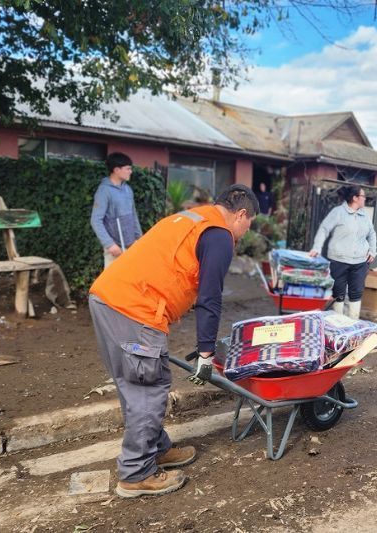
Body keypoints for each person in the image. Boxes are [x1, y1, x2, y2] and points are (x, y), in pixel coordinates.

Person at [89, 184, 258, 498]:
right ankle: (136, 474)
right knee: (147, 388)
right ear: (241, 214)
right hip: (134, 307)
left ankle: (155, 448)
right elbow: (210, 298)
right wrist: (206, 353)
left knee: (136, 381)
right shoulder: (220, 234)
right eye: (248, 226)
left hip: (108, 297)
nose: (245, 233)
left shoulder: (193, 218)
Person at [309, 184, 376, 319]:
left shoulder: (365, 215)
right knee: (338, 292)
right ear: (355, 198)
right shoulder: (338, 212)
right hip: (339, 260)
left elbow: (372, 233)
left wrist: (372, 251)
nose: (365, 199)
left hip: (360, 261)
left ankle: (353, 323)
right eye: (363, 196)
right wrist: (317, 247)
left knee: (356, 293)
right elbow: (324, 229)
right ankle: (337, 322)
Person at [91, 152, 142, 269]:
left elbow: (133, 215)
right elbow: (95, 220)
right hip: (115, 248)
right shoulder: (104, 191)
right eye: (128, 168)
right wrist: (110, 245)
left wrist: (139, 238)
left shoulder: (128, 189)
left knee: (129, 281)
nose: (131, 171)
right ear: (116, 170)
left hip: (131, 245)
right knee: (111, 284)